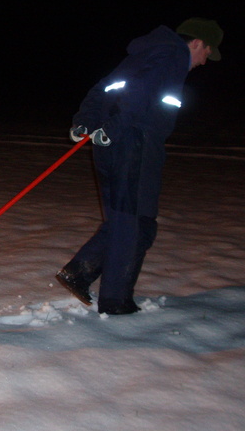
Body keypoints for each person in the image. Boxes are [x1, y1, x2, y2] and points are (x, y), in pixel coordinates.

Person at [56, 17, 223, 315]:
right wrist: (115, 128)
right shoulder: (172, 55)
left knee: (140, 224)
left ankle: (80, 272)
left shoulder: (149, 54)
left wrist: (86, 122)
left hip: (119, 144)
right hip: (134, 145)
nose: (204, 61)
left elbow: (104, 88)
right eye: (207, 53)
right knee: (130, 225)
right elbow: (140, 93)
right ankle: (116, 301)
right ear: (196, 42)